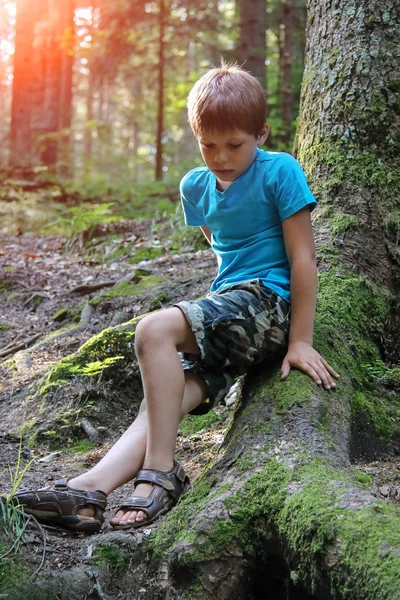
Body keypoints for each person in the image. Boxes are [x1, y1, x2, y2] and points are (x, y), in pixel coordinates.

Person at [13, 62, 339, 534]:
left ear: (261, 133)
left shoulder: (280, 171)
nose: (221, 157)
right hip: (230, 311)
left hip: (270, 304)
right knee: (164, 399)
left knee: (153, 330)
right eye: (208, 145)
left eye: (235, 145)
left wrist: (301, 340)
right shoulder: (194, 186)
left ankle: (161, 472)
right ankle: (89, 491)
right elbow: (217, 241)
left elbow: (304, 258)